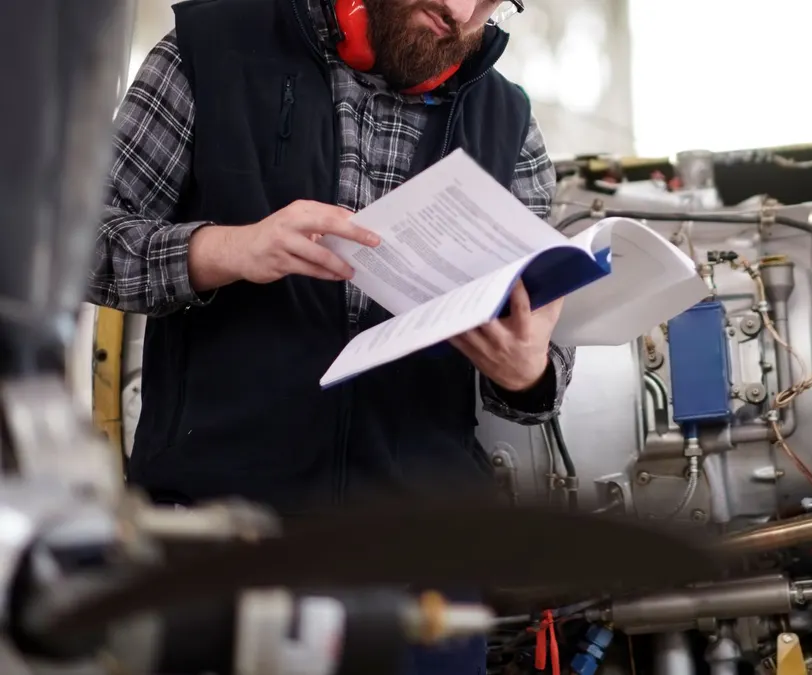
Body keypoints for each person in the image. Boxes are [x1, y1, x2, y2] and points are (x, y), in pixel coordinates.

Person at [88, 0, 571, 671]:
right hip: (218, 559)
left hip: (423, 590)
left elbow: (545, 353)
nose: (465, 13)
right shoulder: (208, 52)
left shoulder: (509, 125)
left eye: (497, 0)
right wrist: (225, 249)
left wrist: (529, 369)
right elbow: (82, 244)